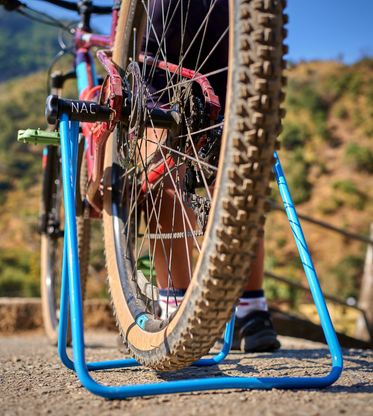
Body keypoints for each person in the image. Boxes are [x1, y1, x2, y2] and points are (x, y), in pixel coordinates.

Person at [141, 0, 280, 353]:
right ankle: (251, 311)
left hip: (165, 18)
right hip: (239, 19)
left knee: (161, 153)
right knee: (238, 161)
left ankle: (174, 306)